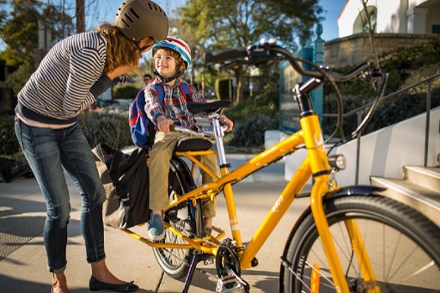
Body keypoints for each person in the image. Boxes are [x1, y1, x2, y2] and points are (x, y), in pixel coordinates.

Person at [13, 0, 168, 292]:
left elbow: (66, 112)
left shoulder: (106, 47)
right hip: (35, 126)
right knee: (59, 208)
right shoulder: (92, 53)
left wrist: (111, 74)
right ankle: (57, 279)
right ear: (140, 38)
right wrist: (110, 78)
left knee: (94, 194)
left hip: (63, 125)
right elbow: (71, 106)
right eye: (150, 44)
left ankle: (100, 273)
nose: (148, 51)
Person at [144, 36, 234, 241]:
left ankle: (208, 220)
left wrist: (219, 116)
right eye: (158, 57)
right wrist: (161, 118)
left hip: (189, 131)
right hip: (167, 131)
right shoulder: (152, 88)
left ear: (180, 64)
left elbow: (203, 107)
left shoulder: (187, 88)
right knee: (158, 154)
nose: (161, 61)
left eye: (168, 57)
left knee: (210, 156)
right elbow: (152, 107)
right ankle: (157, 213)